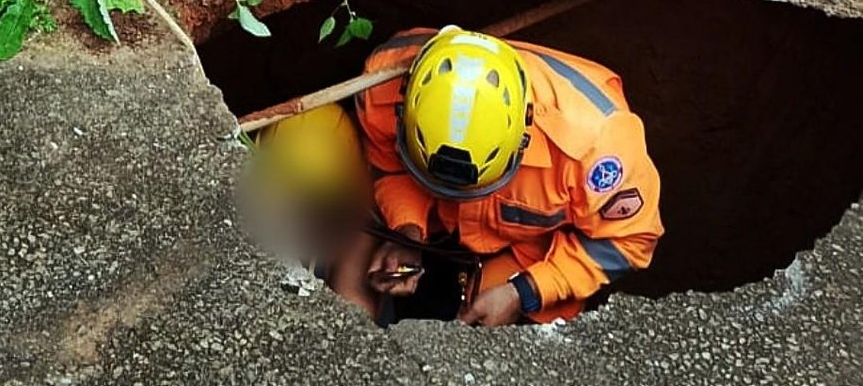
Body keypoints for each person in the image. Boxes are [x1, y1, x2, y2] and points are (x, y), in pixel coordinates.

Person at [354, 26, 662, 325]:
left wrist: (525, 292)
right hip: (440, 235)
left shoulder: (598, 146)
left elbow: (629, 240)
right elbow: (389, 166)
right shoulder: (382, 84)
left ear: (523, 137)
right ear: (404, 109)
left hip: (532, 255)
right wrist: (408, 232)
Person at [246, 104, 380, 316]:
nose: (297, 216)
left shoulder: (344, 246)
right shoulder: (249, 227)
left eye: (310, 206)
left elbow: (355, 303)